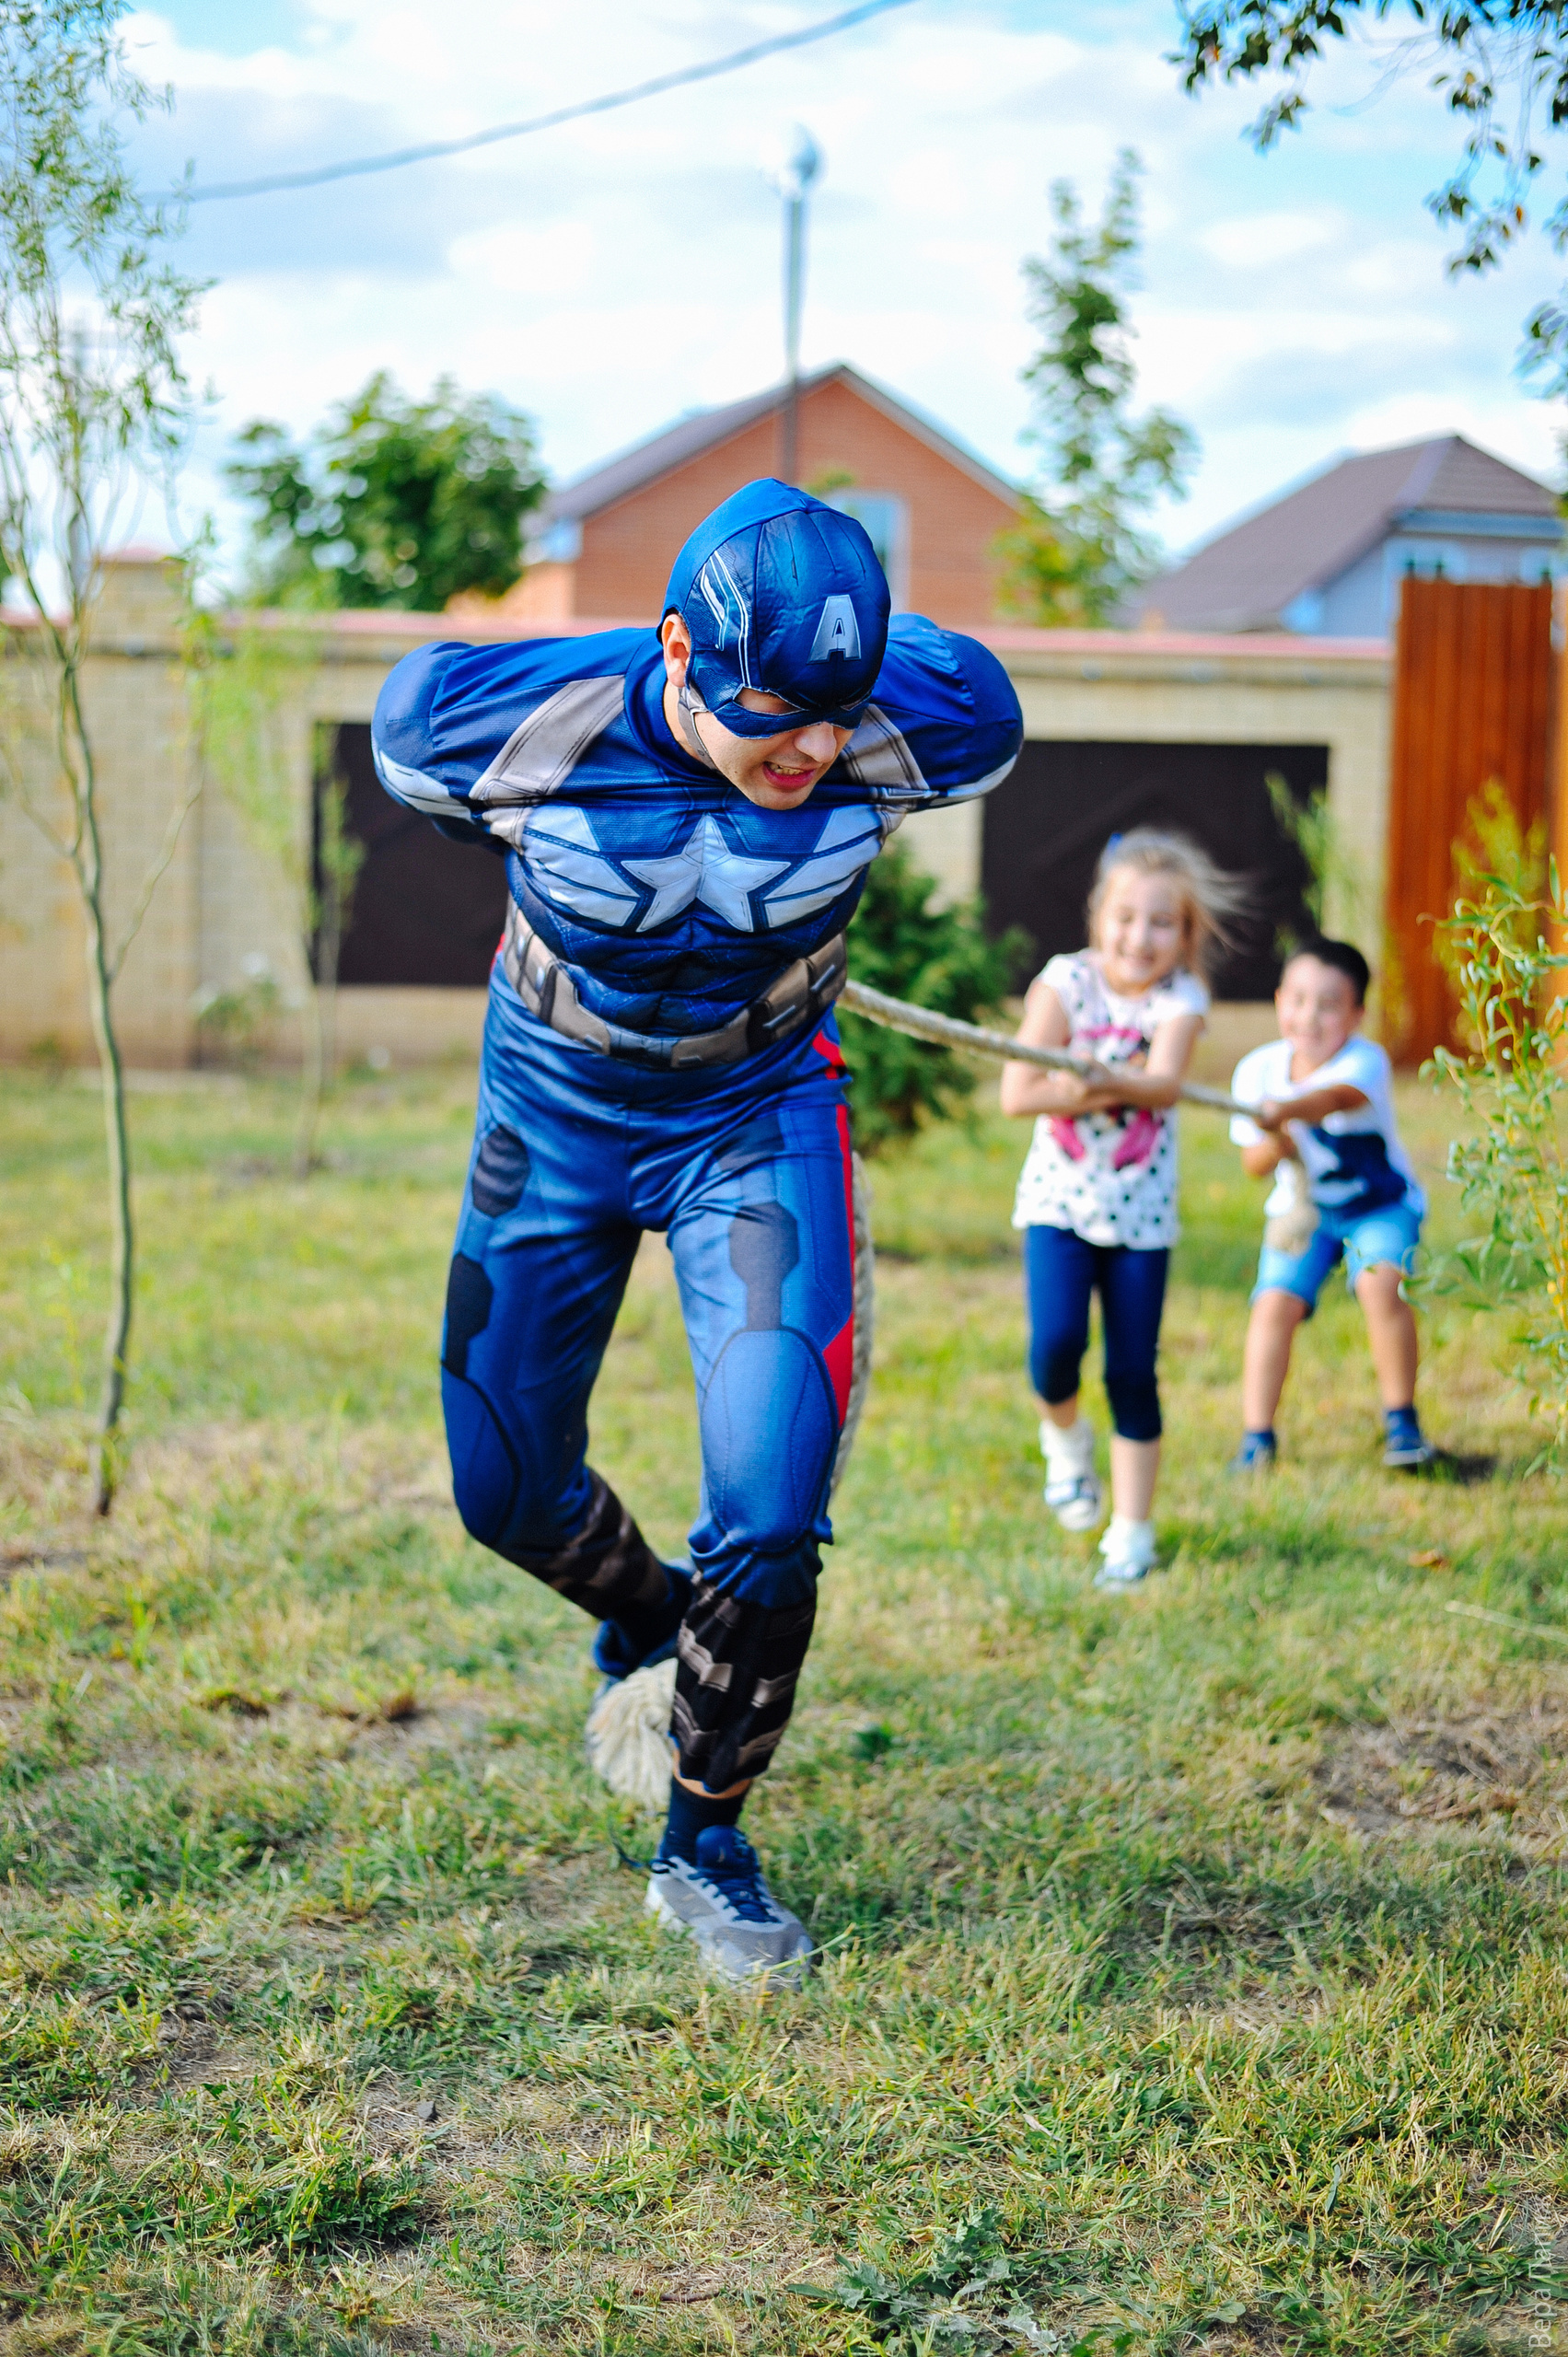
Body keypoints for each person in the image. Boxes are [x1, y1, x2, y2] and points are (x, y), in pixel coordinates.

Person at [370, 478, 1023, 1983]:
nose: (808, 748)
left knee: (774, 1507)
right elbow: (413, 730)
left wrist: (830, 680)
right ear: (673, 649)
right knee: (503, 1490)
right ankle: (653, 1621)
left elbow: (965, 697)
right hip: (550, 1112)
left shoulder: (927, 724)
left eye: (831, 713)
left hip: (755, 1119)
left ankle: (705, 1844)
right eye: (769, 710)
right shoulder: (493, 727)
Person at [1001, 830, 1240, 1588]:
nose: (1140, 936)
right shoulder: (1063, 982)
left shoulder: (1182, 998)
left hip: (1140, 1219)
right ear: (1099, 916)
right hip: (1057, 1205)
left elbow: (1164, 1083)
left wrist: (1082, 1080)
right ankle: (1065, 1448)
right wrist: (1108, 1082)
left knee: (1133, 1372)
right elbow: (1018, 1095)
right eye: (1126, 917)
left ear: (1185, 934)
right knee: (1055, 1348)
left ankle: (1131, 1532)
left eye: (1161, 922)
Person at [1227, 936, 1433, 1472]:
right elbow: (1253, 1165)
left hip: (1379, 1206)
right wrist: (1277, 1141)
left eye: (1328, 1004)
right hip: (1302, 1210)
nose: (1309, 1017)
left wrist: (1286, 1110)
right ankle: (1257, 1437)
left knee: (1378, 1283)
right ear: (1277, 1002)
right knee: (1273, 1303)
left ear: (1357, 1014)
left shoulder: (1366, 1062)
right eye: (1296, 1000)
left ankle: (1402, 1421)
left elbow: (1336, 1099)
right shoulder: (1256, 1071)